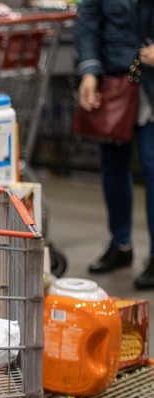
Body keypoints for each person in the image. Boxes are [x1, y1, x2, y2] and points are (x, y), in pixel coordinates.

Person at [74, 0, 154, 289]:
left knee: (152, 164)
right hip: (115, 83)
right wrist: (90, 71)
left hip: (151, 83)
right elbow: (88, 23)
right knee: (113, 168)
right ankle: (121, 245)